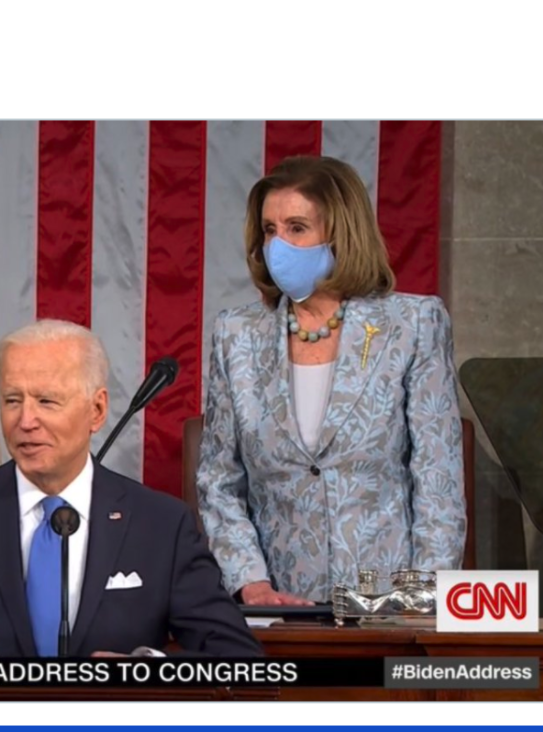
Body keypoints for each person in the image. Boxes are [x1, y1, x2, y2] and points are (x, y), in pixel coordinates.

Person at [0, 320, 262, 658]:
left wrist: (146, 672)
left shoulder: (161, 525)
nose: (26, 420)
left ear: (96, 411)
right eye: (12, 400)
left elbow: (236, 656)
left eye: (46, 401)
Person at [197, 156, 466, 607]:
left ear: (341, 233)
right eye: (269, 230)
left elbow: (437, 479)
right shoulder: (235, 335)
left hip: (388, 608)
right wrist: (251, 584)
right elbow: (219, 479)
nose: (278, 245)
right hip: (279, 608)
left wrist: (420, 600)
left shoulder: (413, 324)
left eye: (297, 228)